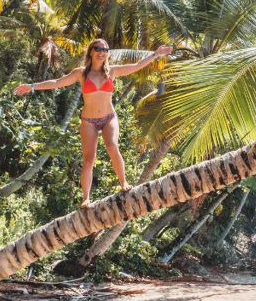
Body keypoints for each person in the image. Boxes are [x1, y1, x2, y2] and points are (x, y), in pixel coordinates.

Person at [15, 40, 172, 208]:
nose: (102, 52)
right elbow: (57, 82)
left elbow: (137, 65)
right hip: (89, 121)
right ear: (91, 51)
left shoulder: (112, 71)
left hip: (109, 118)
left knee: (112, 146)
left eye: (105, 49)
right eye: (98, 48)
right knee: (88, 160)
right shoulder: (81, 73)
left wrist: (156, 54)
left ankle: (124, 183)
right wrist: (31, 87)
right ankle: (86, 199)